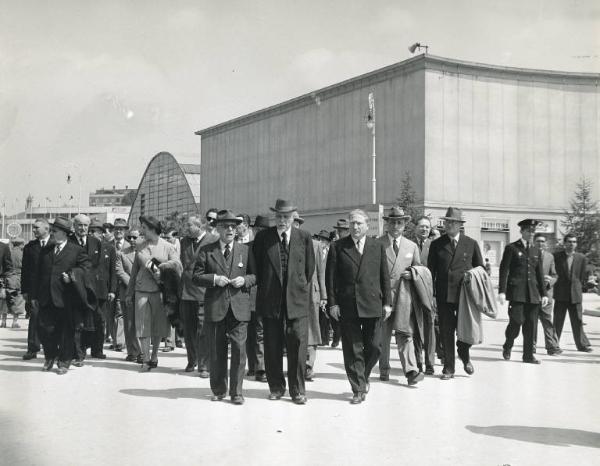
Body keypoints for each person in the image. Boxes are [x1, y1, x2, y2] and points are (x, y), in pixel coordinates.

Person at [252, 199, 315, 404]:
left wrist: (296, 289)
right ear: (274, 217)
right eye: (278, 216)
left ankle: (297, 390)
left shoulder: (304, 237)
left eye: (286, 217)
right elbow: (257, 269)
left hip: (296, 301)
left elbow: (308, 270)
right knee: (272, 346)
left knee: (298, 345)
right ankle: (276, 387)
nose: (281, 220)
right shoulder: (263, 238)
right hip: (270, 301)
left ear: (292, 218)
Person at [326, 209, 392, 404]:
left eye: (359, 224)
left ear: (367, 226)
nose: (355, 227)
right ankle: (358, 388)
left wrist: (388, 303)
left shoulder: (377, 246)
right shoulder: (338, 247)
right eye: (352, 223)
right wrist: (333, 303)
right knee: (353, 349)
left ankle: (363, 374)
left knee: (375, 346)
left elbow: (384, 276)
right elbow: (330, 279)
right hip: (348, 305)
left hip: (373, 303)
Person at [193, 210, 256, 404]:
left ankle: (237, 392)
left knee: (239, 349)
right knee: (217, 350)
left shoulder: (245, 250)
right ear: (218, 229)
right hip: (216, 307)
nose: (229, 230)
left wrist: (243, 280)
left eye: (233, 226)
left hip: (239, 308)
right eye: (225, 226)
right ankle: (219, 389)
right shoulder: (207, 250)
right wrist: (214, 279)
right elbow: (196, 276)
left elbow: (255, 276)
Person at [428, 207, 483, 380]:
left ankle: (464, 353)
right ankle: (448, 368)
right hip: (444, 295)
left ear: (460, 224)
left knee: (466, 329)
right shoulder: (437, 244)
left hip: (465, 296)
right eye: (447, 222)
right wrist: (433, 296)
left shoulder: (471, 243)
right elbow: (431, 272)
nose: (449, 225)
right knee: (446, 331)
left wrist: (471, 277)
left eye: (452, 222)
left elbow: (481, 269)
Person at [31, 217, 90, 375]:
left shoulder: (76, 250)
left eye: (54, 231)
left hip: (66, 298)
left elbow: (85, 269)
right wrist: (34, 295)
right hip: (45, 297)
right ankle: (50, 356)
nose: (51, 233)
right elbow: (37, 274)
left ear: (64, 233)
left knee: (66, 332)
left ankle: (64, 362)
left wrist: (72, 275)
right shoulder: (46, 249)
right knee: (44, 329)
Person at [125, 216, 181, 371]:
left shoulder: (168, 246)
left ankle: (154, 355)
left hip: (160, 291)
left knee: (158, 326)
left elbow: (177, 264)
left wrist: (162, 267)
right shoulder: (140, 246)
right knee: (142, 325)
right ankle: (145, 358)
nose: (141, 230)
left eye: (143, 227)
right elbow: (135, 271)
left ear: (152, 229)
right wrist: (129, 293)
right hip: (141, 290)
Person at [377, 207, 423, 385]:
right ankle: (384, 369)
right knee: (383, 336)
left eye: (400, 222)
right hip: (383, 297)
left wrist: (413, 274)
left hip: (404, 298)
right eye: (393, 222)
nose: (396, 226)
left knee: (405, 333)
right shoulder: (378, 244)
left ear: (404, 225)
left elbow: (419, 269)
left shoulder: (411, 246)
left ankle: (411, 371)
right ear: (387, 224)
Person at [499, 219, 548, 364]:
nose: (531, 234)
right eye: (529, 231)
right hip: (517, 293)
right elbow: (504, 270)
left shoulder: (536, 250)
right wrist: (502, 291)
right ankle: (508, 344)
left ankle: (528, 356)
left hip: (533, 294)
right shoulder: (512, 248)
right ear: (522, 231)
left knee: (531, 325)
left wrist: (544, 294)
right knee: (516, 322)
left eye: (533, 231)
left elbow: (539, 274)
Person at [179, 215, 218, 376]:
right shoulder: (184, 242)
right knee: (188, 329)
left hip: (203, 292)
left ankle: (204, 365)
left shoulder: (212, 240)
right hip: (186, 292)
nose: (186, 228)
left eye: (189, 225)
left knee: (203, 330)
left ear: (200, 226)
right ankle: (191, 360)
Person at [83, 219, 118, 363]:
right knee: (86, 320)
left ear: (102, 234)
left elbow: (113, 272)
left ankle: (97, 350)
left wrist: (112, 290)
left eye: (96, 232)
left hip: (103, 290)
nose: (93, 234)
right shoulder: (83, 247)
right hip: (86, 290)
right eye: (91, 231)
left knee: (100, 321)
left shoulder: (109, 248)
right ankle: (83, 347)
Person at [72, 214, 105, 361]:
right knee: (78, 322)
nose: (83, 228)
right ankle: (78, 353)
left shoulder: (95, 242)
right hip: (74, 288)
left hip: (92, 288)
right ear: (74, 226)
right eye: (79, 225)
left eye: (85, 225)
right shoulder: (69, 241)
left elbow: (98, 266)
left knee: (97, 320)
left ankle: (96, 350)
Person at [553, 233, 593, 352]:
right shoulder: (556, 256)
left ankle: (582, 345)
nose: (571, 244)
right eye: (569, 241)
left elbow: (582, 277)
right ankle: (554, 344)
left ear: (576, 244)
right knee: (557, 321)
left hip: (575, 294)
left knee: (578, 321)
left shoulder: (581, 258)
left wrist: (580, 288)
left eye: (574, 242)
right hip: (560, 294)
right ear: (564, 243)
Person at [21, 219, 52, 360]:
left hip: (52, 289)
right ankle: (32, 348)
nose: (33, 230)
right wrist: (25, 290)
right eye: (33, 228)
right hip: (35, 290)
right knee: (35, 317)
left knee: (53, 320)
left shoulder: (55, 245)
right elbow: (25, 270)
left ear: (46, 229)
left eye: (36, 228)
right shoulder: (30, 247)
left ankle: (53, 349)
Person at [412, 215, 438, 375]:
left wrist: (435, 294)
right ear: (416, 228)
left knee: (430, 327)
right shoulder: (408, 245)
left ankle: (430, 363)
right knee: (415, 327)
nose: (424, 229)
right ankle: (418, 362)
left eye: (427, 227)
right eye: (421, 226)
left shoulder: (434, 246)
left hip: (429, 293)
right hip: (413, 292)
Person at [246, 215, 270, 382]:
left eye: (263, 230)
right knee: (249, 332)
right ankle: (253, 365)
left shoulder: (272, 248)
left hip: (266, 296)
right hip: (247, 295)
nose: (260, 232)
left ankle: (261, 368)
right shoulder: (245, 248)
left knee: (261, 331)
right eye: (257, 229)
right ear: (253, 230)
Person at [115, 228, 142, 362]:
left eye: (134, 237)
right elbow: (119, 271)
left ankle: (142, 352)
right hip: (128, 292)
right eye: (129, 237)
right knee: (129, 323)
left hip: (144, 291)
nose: (131, 240)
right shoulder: (121, 253)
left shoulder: (146, 252)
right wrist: (133, 285)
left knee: (142, 323)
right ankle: (132, 352)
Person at [532, 233, 562, 356]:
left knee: (547, 321)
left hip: (547, 294)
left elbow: (555, 274)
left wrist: (551, 280)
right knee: (531, 322)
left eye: (543, 241)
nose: (540, 243)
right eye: (538, 241)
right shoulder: (528, 255)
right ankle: (531, 347)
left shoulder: (550, 257)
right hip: (532, 294)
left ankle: (552, 347)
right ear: (534, 242)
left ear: (546, 243)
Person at [306, 229, 328, 381]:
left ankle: (308, 365)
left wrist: (324, 295)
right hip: (293, 294)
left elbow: (321, 272)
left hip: (312, 293)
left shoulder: (315, 245)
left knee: (312, 329)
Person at [328, 219, 351, 348]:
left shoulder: (354, 245)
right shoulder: (335, 245)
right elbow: (330, 273)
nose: (339, 232)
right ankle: (337, 337)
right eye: (338, 230)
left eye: (341, 230)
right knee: (335, 318)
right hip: (338, 290)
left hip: (350, 291)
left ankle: (341, 337)